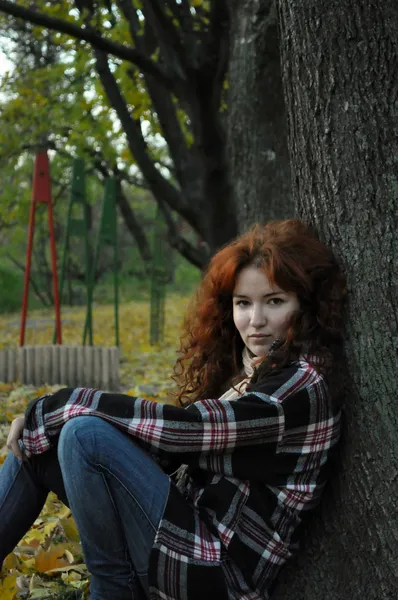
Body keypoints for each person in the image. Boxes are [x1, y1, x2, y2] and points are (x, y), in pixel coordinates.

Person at [0, 219, 347, 600]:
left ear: (305, 305)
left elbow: (188, 431)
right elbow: (167, 453)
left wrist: (58, 406)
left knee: (84, 434)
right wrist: (46, 425)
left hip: (217, 575)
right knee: (38, 446)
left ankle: (114, 590)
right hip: (183, 538)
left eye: (275, 301)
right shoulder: (251, 369)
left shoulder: (299, 386)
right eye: (243, 304)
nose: (256, 320)